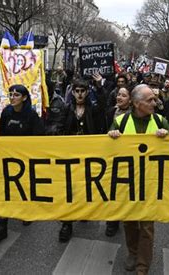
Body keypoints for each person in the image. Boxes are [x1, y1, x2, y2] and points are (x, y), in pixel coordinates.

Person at [108, 84, 169, 275]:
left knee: (147, 226)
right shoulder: (120, 122)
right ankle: (133, 253)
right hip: (127, 183)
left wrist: (167, 137)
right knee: (129, 222)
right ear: (136, 103)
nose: (155, 102)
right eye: (150, 100)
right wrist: (111, 136)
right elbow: (107, 151)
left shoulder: (161, 121)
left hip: (152, 184)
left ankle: (143, 265)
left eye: (154, 98)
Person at [0, 85, 45, 243]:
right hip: (9, 158)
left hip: (26, 160)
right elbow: (2, 136)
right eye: (10, 94)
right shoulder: (6, 112)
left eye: (16, 95)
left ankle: (26, 213)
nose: (12, 97)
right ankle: (2, 226)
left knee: (24, 188)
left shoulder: (32, 116)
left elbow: (39, 138)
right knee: (6, 190)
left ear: (24, 98)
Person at [59, 75, 107, 242]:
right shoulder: (67, 109)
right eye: (76, 91)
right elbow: (57, 127)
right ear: (72, 92)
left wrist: (99, 87)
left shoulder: (92, 109)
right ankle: (66, 224)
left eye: (82, 91)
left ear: (87, 93)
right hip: (70, 155)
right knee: (69, 189)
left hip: (88, 155)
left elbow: (103, 106)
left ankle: (84, 210)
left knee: (85, 185)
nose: (79, 94)